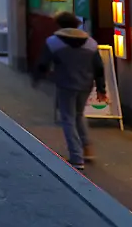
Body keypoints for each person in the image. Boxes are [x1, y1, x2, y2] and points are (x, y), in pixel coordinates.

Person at [32, 12, 107, 170]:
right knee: (79, 115)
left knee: (68, 119)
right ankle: (87, 149)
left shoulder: (53, 42)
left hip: (65, 84)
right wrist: (101, 89)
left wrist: (37, 78)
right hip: (86, 84)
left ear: (59, 24)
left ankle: (76, 157)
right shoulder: (91, 43)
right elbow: (99, 68)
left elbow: (43, 63)